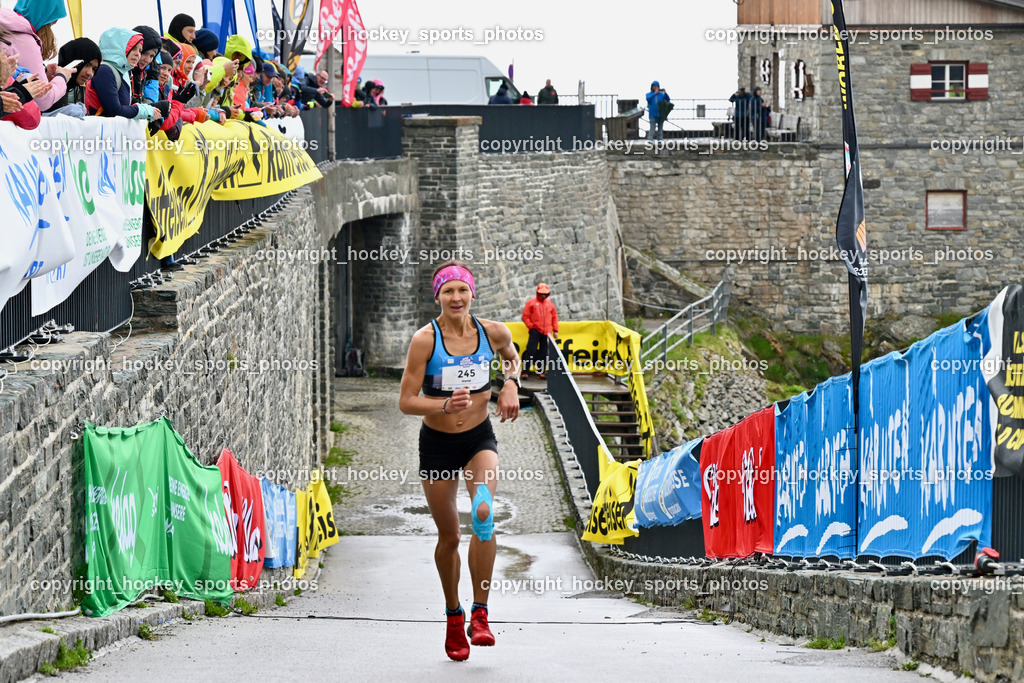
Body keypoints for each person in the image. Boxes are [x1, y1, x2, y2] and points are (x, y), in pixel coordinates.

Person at [398, 261, 521, 661]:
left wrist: (511, 385)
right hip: (436, 443)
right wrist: (445, 403)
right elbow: (406, 401)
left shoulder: (492, 331)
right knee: (450, 535)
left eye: (462, 291)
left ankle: (481, 614)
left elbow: (511, 355)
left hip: (478, 438)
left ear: (472, 294)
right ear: (437, 297)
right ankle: (454, 617)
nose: (456, 298)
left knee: (483, 514)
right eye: (448, 291)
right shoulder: (425, 340)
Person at [0, 0, 73, 114]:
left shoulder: (5, 28)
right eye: (51, 24)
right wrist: (62, 77)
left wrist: (42, 74)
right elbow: (43, 100)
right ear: (45, 19)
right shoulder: (25, 40)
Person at [520, 283, 559, 379]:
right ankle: (525, 371)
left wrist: (555, 330)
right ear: (538, 293)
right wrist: (531, 327)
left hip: (546, 332)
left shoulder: (550, 303)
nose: (543, 295)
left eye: (545, 294)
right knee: (530, 351)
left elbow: (554, 317)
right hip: (535, 331)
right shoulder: (531, 302)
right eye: (541, 293)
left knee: (544, 352)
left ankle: (540, 372)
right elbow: (525, 316)